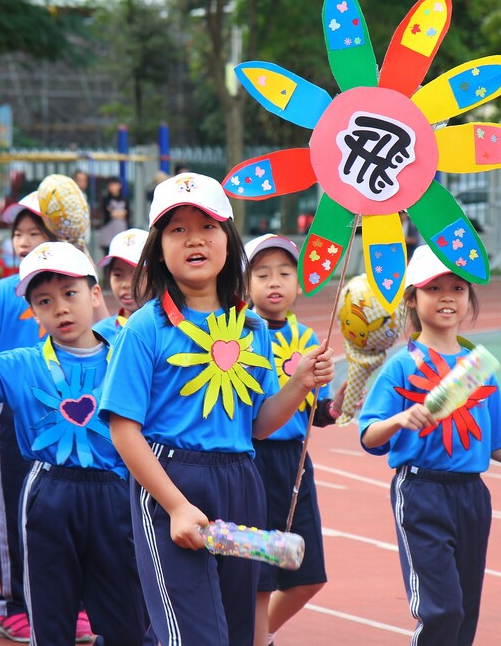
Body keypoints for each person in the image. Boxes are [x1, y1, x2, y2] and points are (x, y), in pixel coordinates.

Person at [99, 173, 334, 646]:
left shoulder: (250, 327)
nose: (194, 239)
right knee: (192, 635)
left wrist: (299, 384)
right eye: (177, 229)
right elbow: (124, 431)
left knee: (235, 632)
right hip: (172, 483)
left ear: (228, 239)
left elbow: (261, 424)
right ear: (158, 248)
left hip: (241, 481)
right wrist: (177, 507)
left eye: (207, 225)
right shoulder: (145, 327)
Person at [0, 242, 149, 645]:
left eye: (71, 294)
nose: (61, 308)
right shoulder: (24, 362)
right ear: (33, 312)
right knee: (51, 619)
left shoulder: (124, 353)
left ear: (94, 295)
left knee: (127, 618)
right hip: (50, 493)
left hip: (115, 492)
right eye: (44, 301)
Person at [358, 244, 501, 646]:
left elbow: (498, 443)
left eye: (458, 288)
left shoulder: (478, 367)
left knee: (464, 611)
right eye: (434, 288)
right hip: (421, 492)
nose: (448, 297)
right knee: (440, 609)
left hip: (471, 496)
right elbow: (369, 436)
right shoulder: (402, 365)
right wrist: (399, 418)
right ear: (413, 298)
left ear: (469, 298)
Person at [0, 191, 96, 642]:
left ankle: (80, 603)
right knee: (21, 507)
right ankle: (12, 602)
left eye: (34, 232)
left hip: (76, 412)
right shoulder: (5, 291)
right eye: (17, 234)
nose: (23, 242)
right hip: (19, 411)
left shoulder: (79, 283)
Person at [244, 234, 336, 646]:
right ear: (245, 284)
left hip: (296, 468)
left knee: (307, 578)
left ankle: (252, 636)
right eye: (261, 274)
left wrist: (337, 407)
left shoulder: (307, 338)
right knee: (259, 580)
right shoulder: (240, 334)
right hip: (253, 463)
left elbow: (316, 410)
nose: (274, 282)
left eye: (284, 272)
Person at [94, 228, 149, 343]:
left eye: (136, 275)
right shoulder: (99, 334)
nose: (125, 285)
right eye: (118, 275)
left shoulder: (172, 327)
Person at [99, 178, 130, 256]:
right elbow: (108, 214)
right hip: (108, 233)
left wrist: (114, 213)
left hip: (121, 232)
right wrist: (120, 213)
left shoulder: (124, 199)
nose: (112, 187)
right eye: (110, 185)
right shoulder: (106, 199)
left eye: (114, 185)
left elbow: (127, 213)